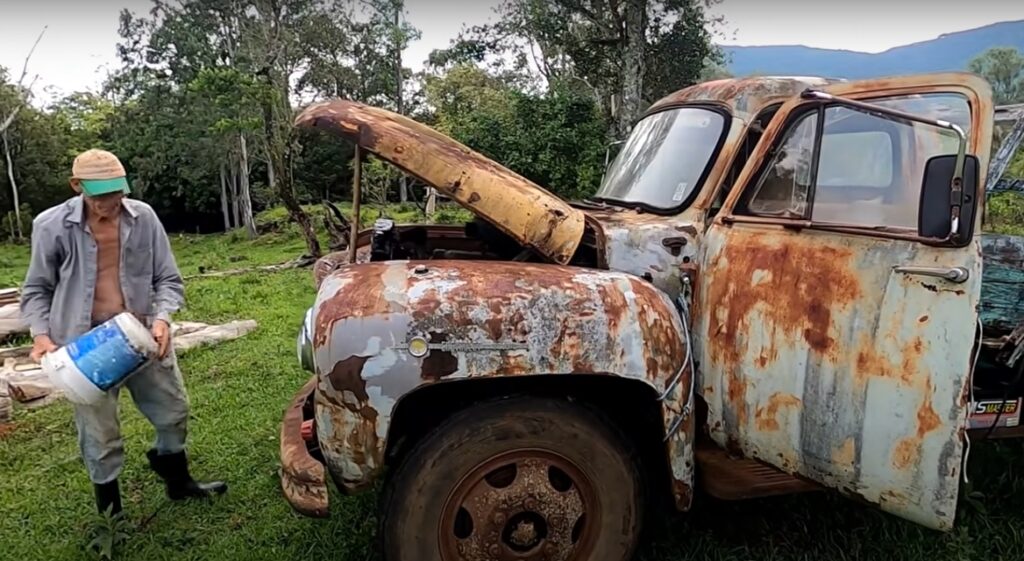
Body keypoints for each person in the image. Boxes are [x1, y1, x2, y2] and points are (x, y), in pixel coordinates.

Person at [20, 149, 226, 517]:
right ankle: (110, 515)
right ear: (77, 186)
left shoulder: (143, 217)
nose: (111, 202)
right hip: (83, 347)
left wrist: (162, 319)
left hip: (141, 335)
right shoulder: (50, 225)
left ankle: (178, 482)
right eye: (100, 195)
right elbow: (36, 289)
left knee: (173, 411)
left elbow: (168, 278)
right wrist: (41, 335)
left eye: (117, 192)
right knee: (99, 433)